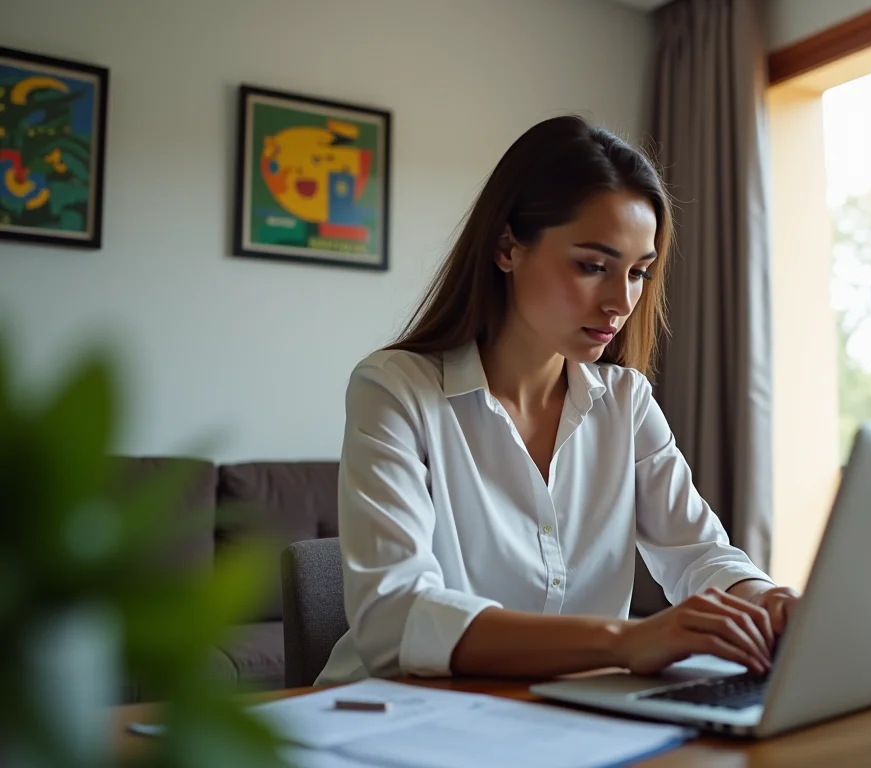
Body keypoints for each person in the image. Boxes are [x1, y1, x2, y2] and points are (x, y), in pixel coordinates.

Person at [315, 115, 799, 685]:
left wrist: (767, 601)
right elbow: (394, 620)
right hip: (396, 720)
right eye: (592, 266)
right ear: (506, 248)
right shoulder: (395, 391)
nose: (621, 302)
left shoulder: (626, 401)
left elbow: (697, 553)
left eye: (639, 272)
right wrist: (626, 640)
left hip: (566, 718)